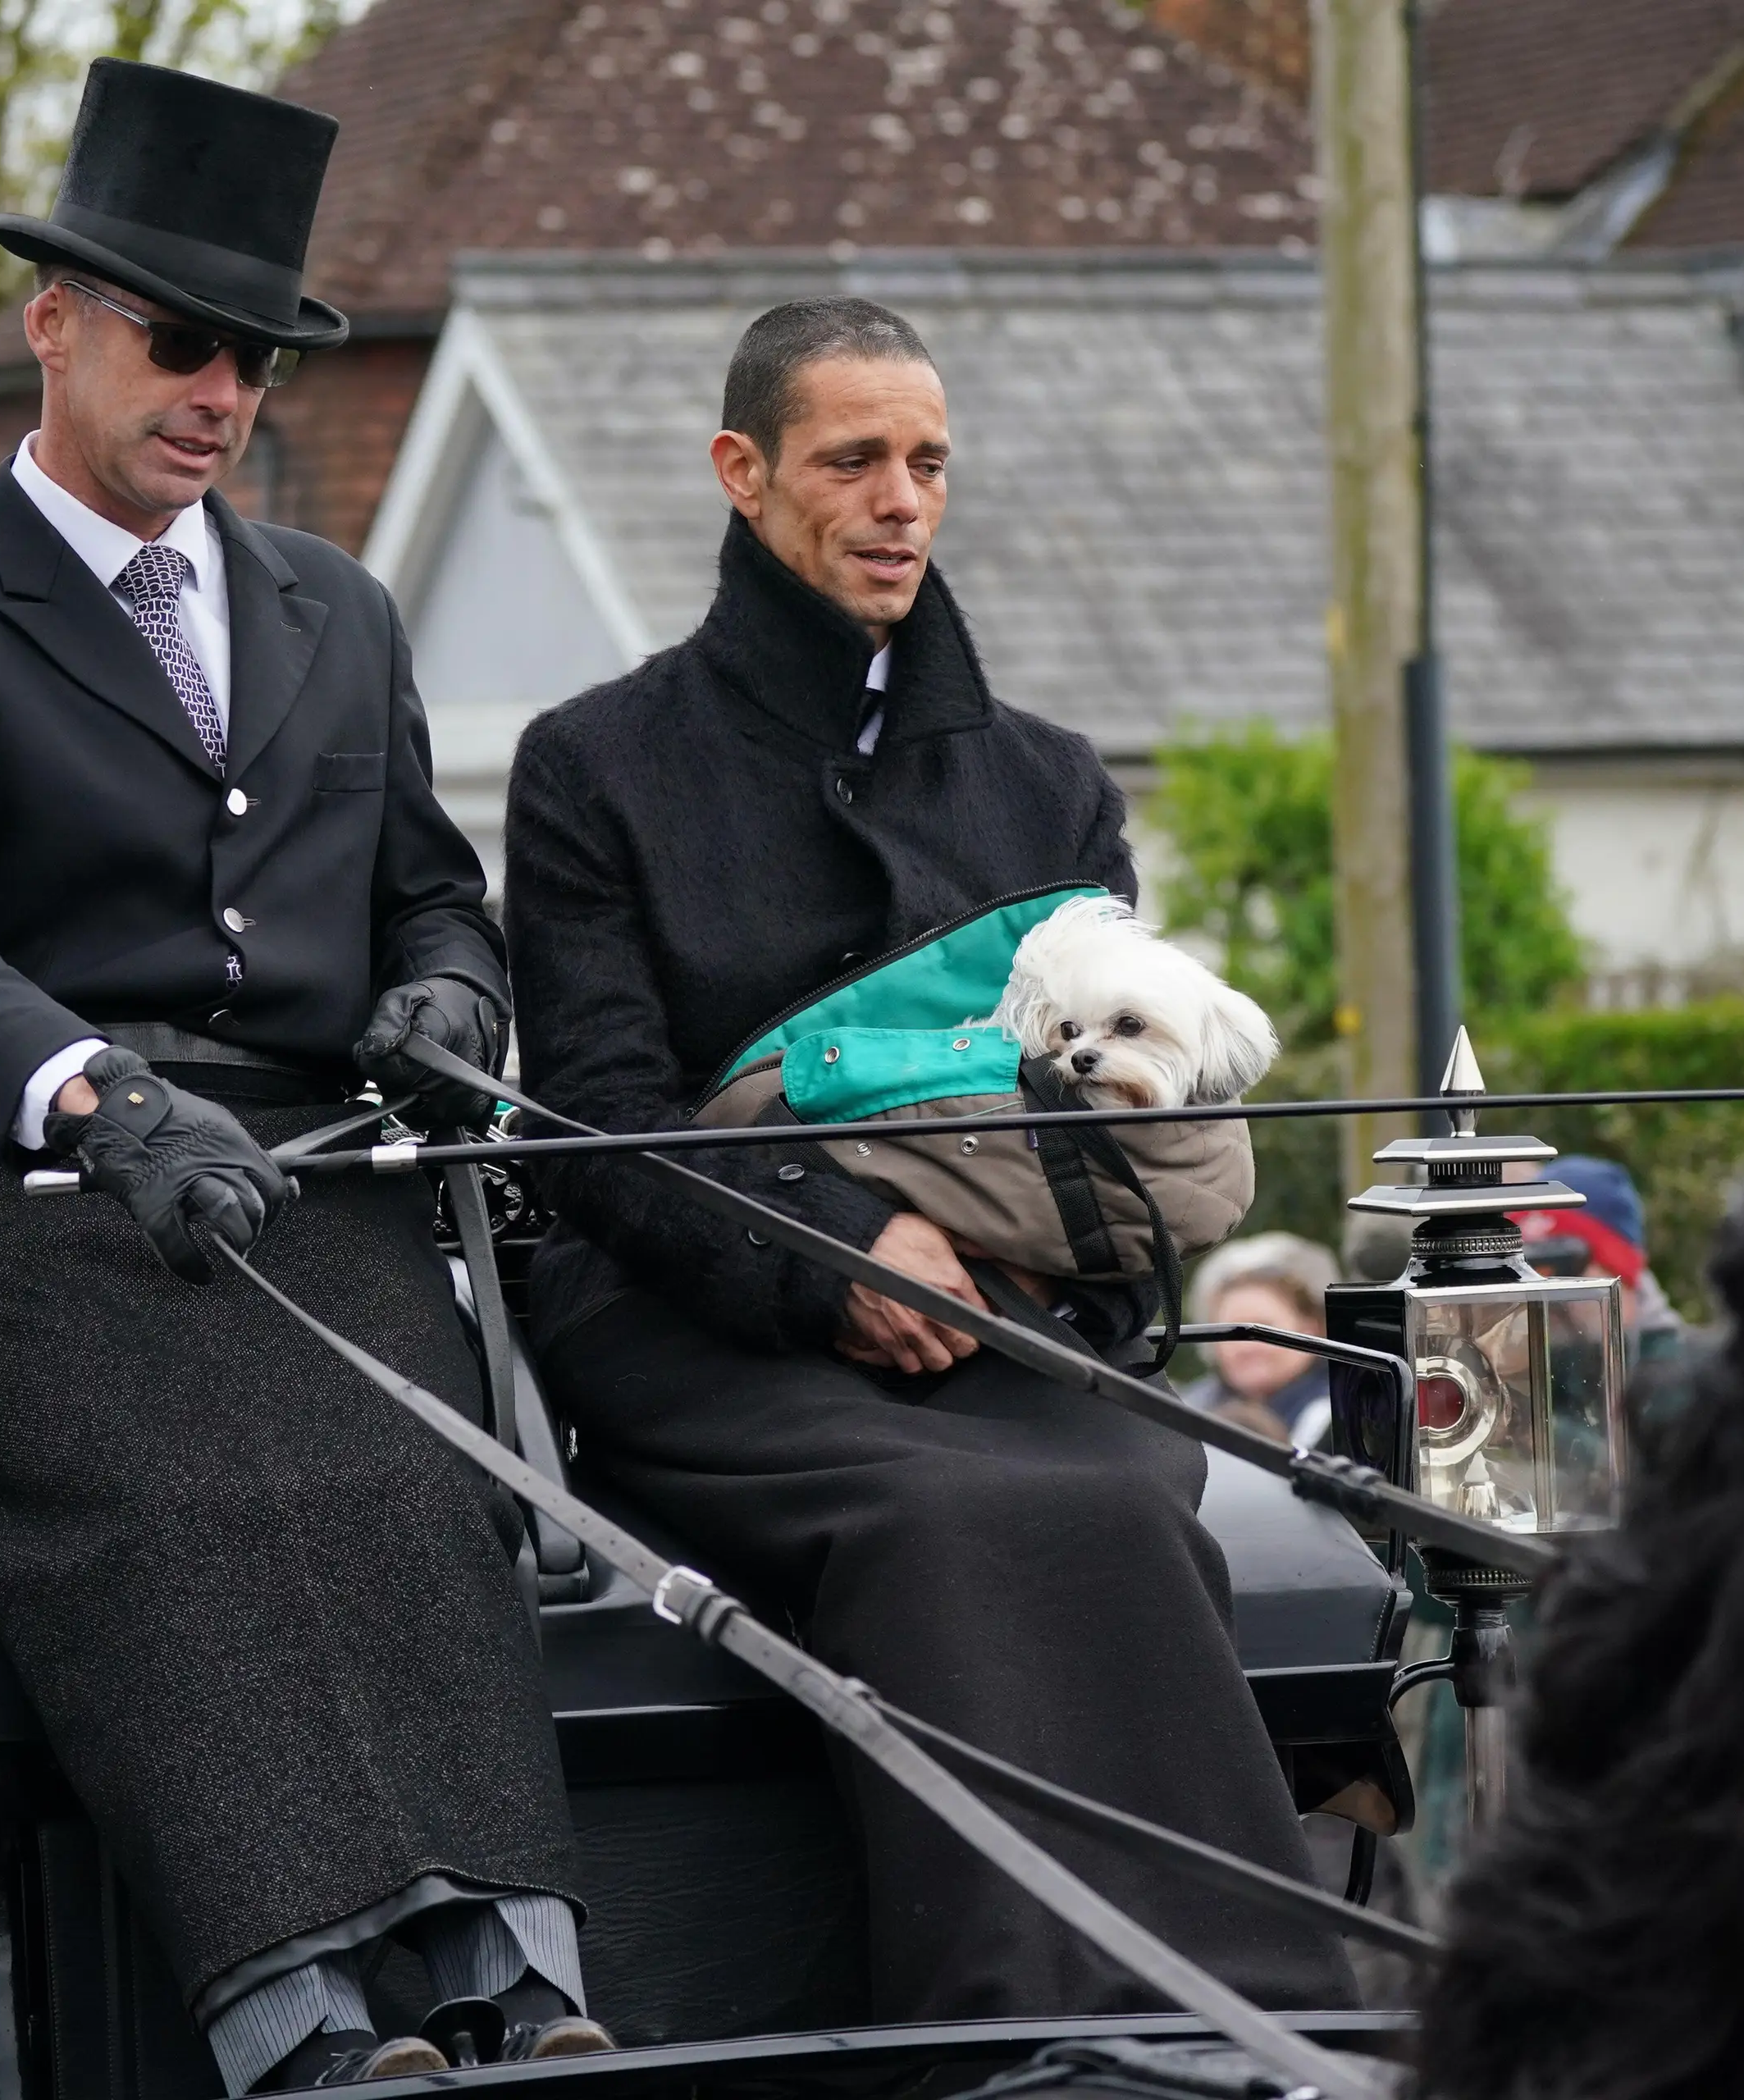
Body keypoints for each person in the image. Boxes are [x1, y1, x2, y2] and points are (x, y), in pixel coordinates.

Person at [0, 61, 600, 2092]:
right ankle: (299, 2009)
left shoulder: (340, 604)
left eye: (248, 356)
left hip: (312, 1177)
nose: (218, 389)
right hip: (23, 1198)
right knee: (203, 1486)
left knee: (408, 1460)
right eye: (175, 341)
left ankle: (510, 1968)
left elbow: (438, 895)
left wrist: (447, 1004)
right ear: (54, 322)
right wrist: (92, 1093)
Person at [503, 297, 1356, 2020]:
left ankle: (1243, 2015)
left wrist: (1031, 1251)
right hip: (705, 1317)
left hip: (1020, 1315)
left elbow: (1125, 1108)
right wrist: (838, 1250)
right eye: (856, 459)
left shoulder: (1046, 780)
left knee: (1128, 1494)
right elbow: (592, 1112)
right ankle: (1021, 2025)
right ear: (743, 474)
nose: (902, 499)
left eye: (930, 462)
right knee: (945, 1509)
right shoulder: (595, 762)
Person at [1178, 1234, 1340, 1445]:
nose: (1246, 1347)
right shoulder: (1187, 1411)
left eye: (1264, 1329)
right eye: (1230, 1332)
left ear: (1309, 1330)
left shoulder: (1341, 1420)